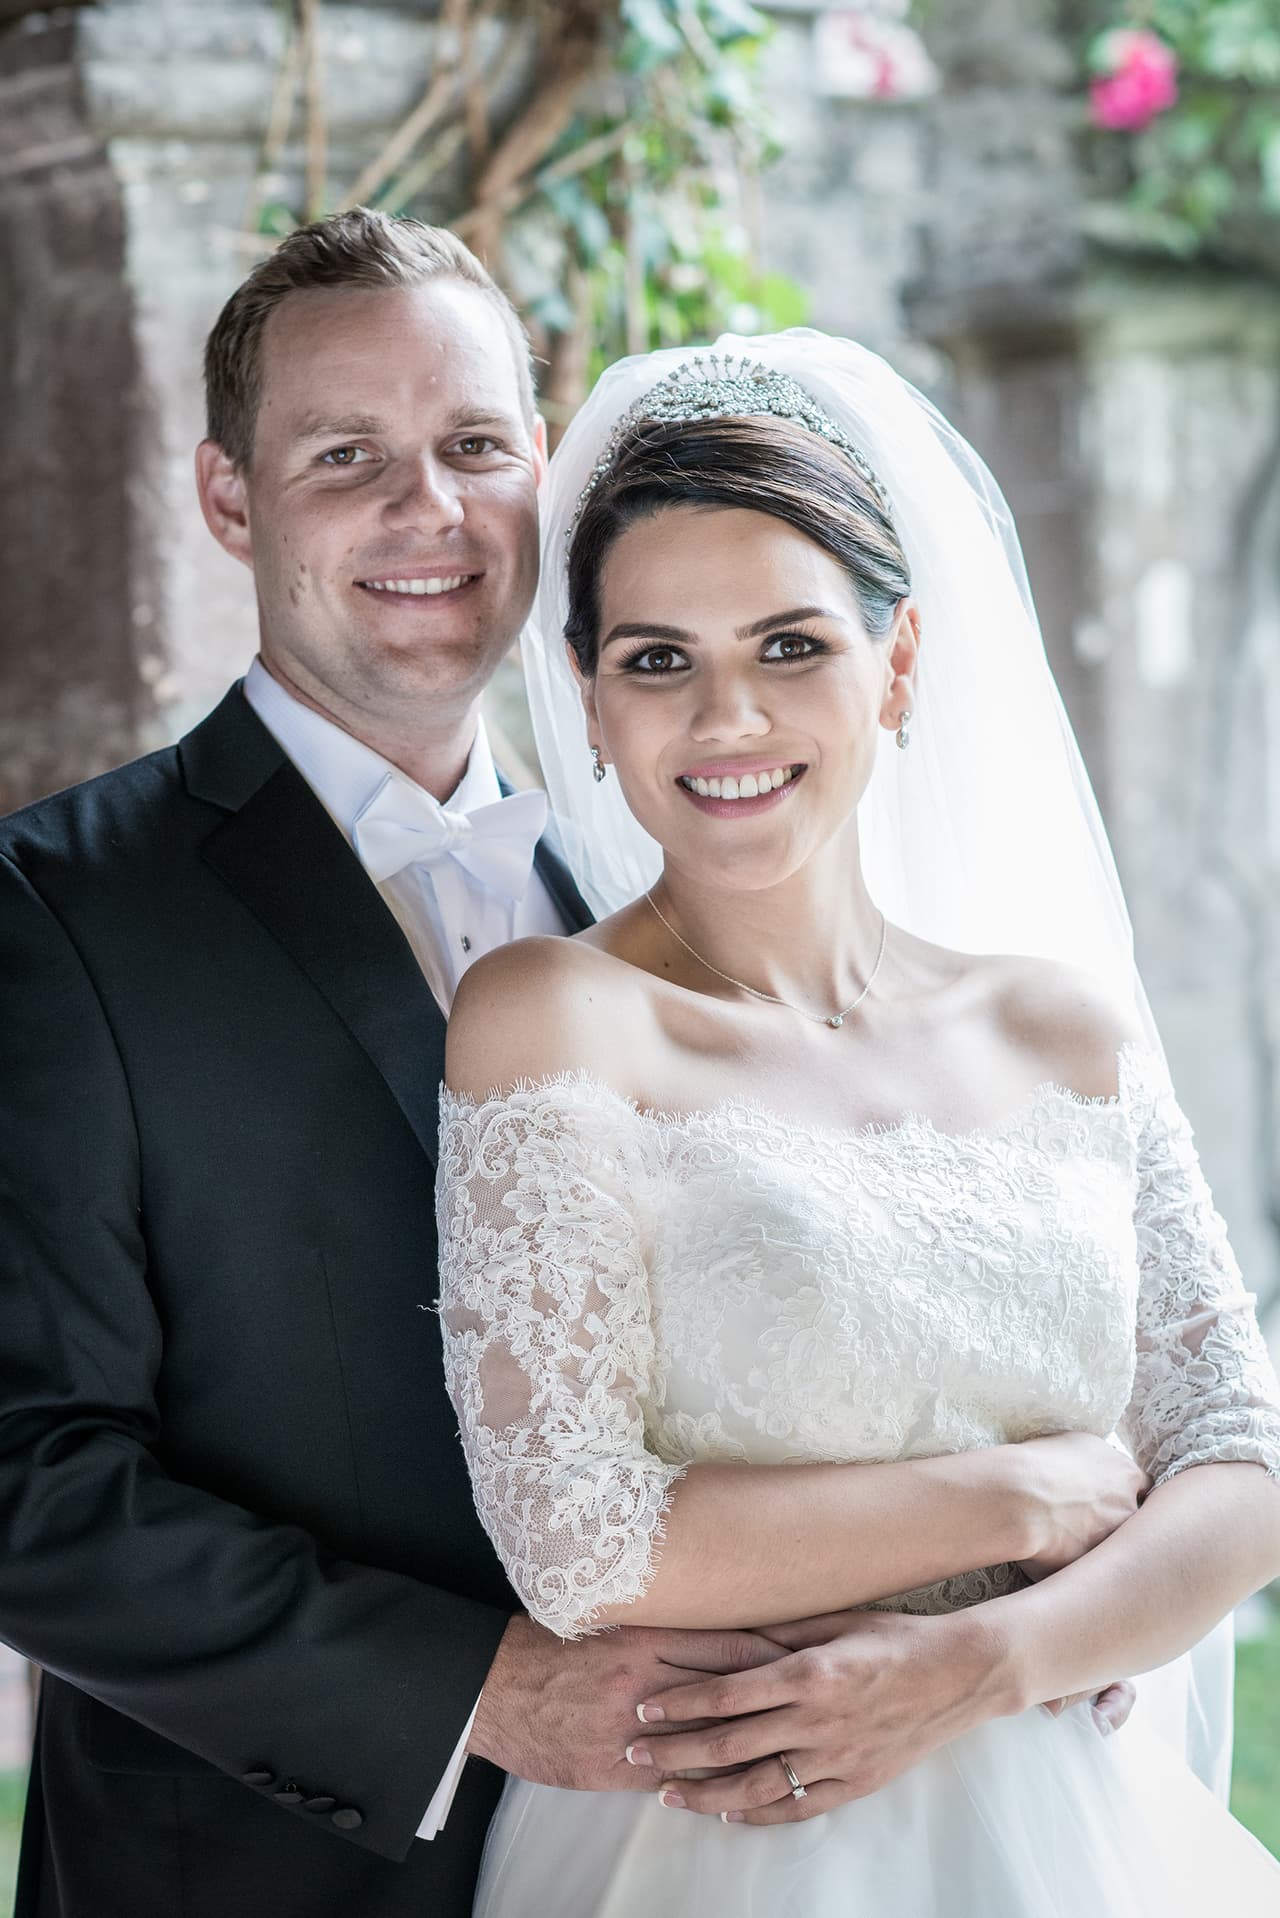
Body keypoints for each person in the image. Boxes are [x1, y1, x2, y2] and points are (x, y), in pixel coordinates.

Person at [0, 213, 793, 1918]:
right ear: (228, 499)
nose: (425, 511)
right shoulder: (54, 909)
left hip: (680, 1857)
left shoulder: (671, 877)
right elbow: (22, 1472)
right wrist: (474, 1692)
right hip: (246, 1871)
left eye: (473, 446)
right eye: (345, 454)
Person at [437, 333, 1280, 1914]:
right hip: (722, 1849)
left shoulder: (1062, 1025)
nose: (727, 718)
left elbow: (1242, 1465)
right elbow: (585, 1538)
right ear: (596, 708)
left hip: (1078, 1822)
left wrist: (983, 1657)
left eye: (790, 644)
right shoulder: (554, 1018)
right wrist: (1036, 1494)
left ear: (896, 668)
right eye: (658, 659)